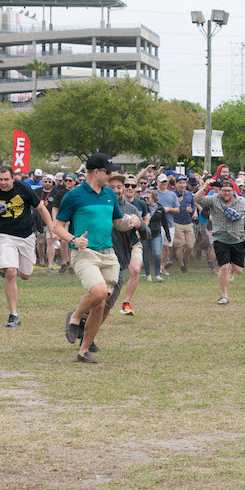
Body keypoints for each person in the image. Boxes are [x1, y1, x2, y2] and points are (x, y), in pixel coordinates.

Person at [53, 153, 141, 363]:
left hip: (108, 254)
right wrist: (73, 239)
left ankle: (83, 351)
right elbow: (57, 226)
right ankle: (75, 316)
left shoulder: (110, 195)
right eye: (108, 172)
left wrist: (131, 222)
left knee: (101, 304)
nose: (111, 176)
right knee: (99, 292)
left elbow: (117, 223)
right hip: (85, 253)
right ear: (96, 172)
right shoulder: (74, 196)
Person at [0, 166, 53, 327]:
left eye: (6, 179)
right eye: (0, 179)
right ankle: (14, 314)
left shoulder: (24, 188)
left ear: (13, 178)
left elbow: (41, 208)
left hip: (26, 237)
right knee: (11, 272)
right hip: (5, 236)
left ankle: (7, 266)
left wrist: (52, 229)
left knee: (25, 275)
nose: (3, 183)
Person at [195, 178, 245, 304]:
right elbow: (197, 199)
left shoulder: (243, 202)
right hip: (220, 238)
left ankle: (232, 268)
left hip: (238, 239)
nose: (226, 193)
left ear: (234, 191)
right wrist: (205, 187)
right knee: (224, 267)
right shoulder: (214, 199)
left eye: (229, 191)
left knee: (239, 270)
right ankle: (224, 295)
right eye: (224, 191)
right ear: (220, 191)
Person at [120, 175, 149, 314]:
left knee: (136, 270)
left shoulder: (141, 204)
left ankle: (126, 303)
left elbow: (145, 221)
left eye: (133, 186)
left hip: (134, 242)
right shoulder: (116, 204)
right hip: (118, 243)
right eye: (127, 185)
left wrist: (139, 227)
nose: (130, 188)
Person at [155, 174, 180, 276]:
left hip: (169, 225)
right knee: (157, 248)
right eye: (162, 182)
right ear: (157, 182)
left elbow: (178, 210)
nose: (164, 183)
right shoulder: (154, 194)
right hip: (156, 224)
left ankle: (162, 267)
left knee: (166, 247)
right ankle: (157, 267)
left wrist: (168, 209)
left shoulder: (172, 195)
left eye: (165, 181)